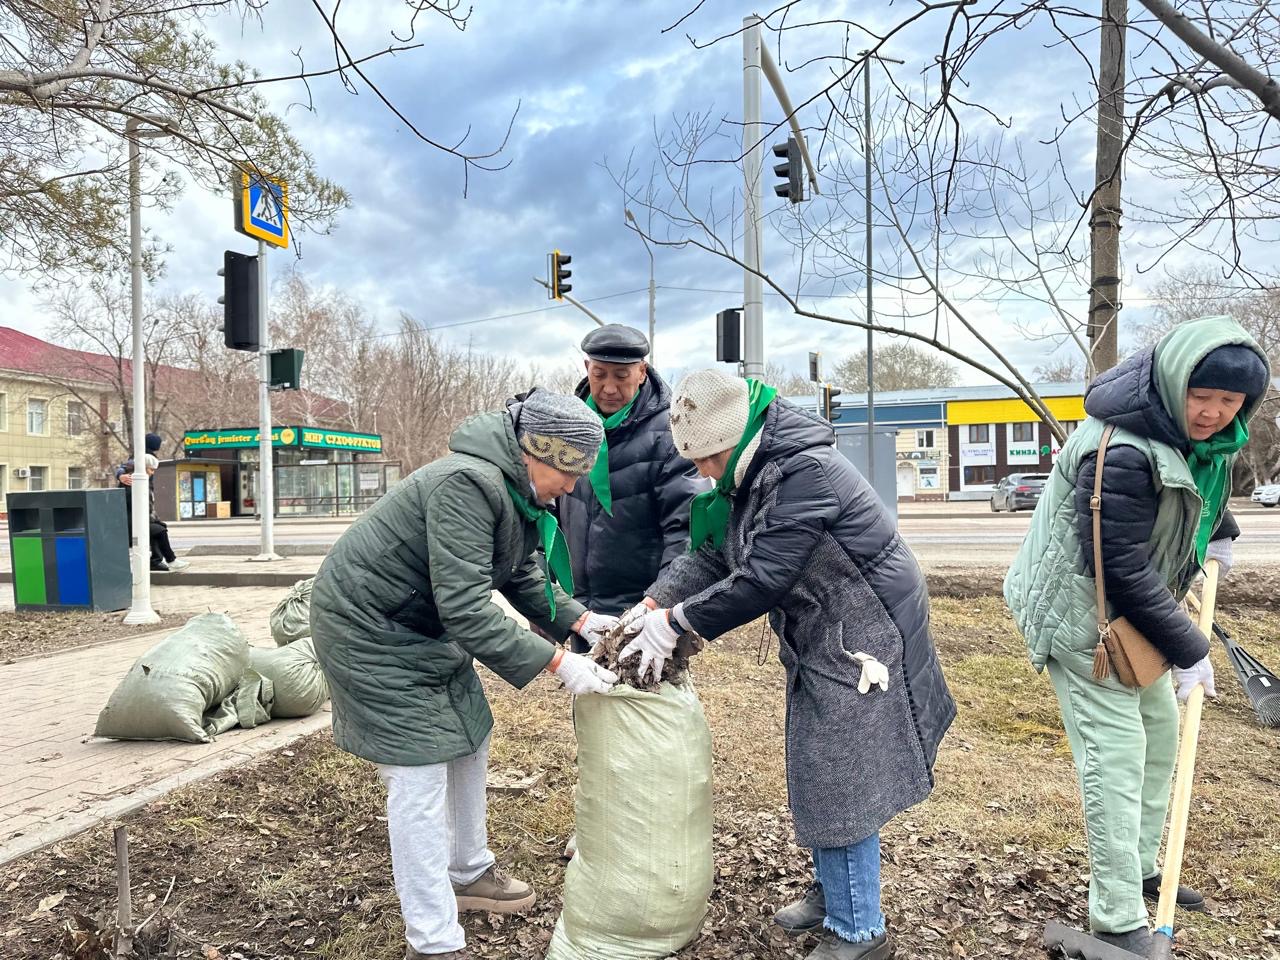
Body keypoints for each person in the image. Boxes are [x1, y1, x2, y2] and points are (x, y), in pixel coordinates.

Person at [619, 369, 956, 960]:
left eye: (708, 458)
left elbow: (762, 579)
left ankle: (859, 931)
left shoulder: (803, 473)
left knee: (843, 773)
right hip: (823, 628)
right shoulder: (752, 473)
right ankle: (836, 892)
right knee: (817, 760)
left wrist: (675, 625)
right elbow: (715, 555)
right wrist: (655, 599)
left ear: (736, 436)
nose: (703, 472)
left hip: (866, 626)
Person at [310, 389, 623, 960]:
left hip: (418, 625)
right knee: (418, 772)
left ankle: (468, 870)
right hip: (367, 628)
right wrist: (559, 663)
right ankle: (432, 940)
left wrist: (583, 622)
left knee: (469, 737)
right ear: (537, 454)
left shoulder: (514, 492)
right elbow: (468, 608)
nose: (574, 487)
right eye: (570, 472)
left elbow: (522, 576)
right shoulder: (467, 483)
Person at [1004, 316, 1272, 957]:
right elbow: (1118, 567)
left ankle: (1146, 867)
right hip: (1083, 620)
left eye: (1229, 401)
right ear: (1175, 382)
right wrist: (1189, 648)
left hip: (1130, 615)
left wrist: (1219, 525)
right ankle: (1118, 916)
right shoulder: (1120, 448)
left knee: (1159, 737)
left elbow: (1185, 480)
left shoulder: (1184, 435)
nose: (1211, 413)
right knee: (1115, 761)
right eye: (1201, 396)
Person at [557, 324, 704, 650]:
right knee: (590, 699)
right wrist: (550, 607)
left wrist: (659, 605)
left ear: (642, 372)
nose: (609, 387)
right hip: (583, 612)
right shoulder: (568, 429)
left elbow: (687, 532)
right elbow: (545, 519)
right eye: (600, 374)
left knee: (645, 701)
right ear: (586, 369)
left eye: (621, 376)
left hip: (645, 612)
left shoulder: (670, 436)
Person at [117, 436, 189, 572]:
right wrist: (120, 475)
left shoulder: (139, 479)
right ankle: (168, 560)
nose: (153, 473)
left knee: (159, 528)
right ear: (143, 468)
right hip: (130, 524)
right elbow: (136, 506)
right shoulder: (133, 480)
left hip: (136, 520)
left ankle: (159, 560)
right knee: (159, 530)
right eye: (151, 470)